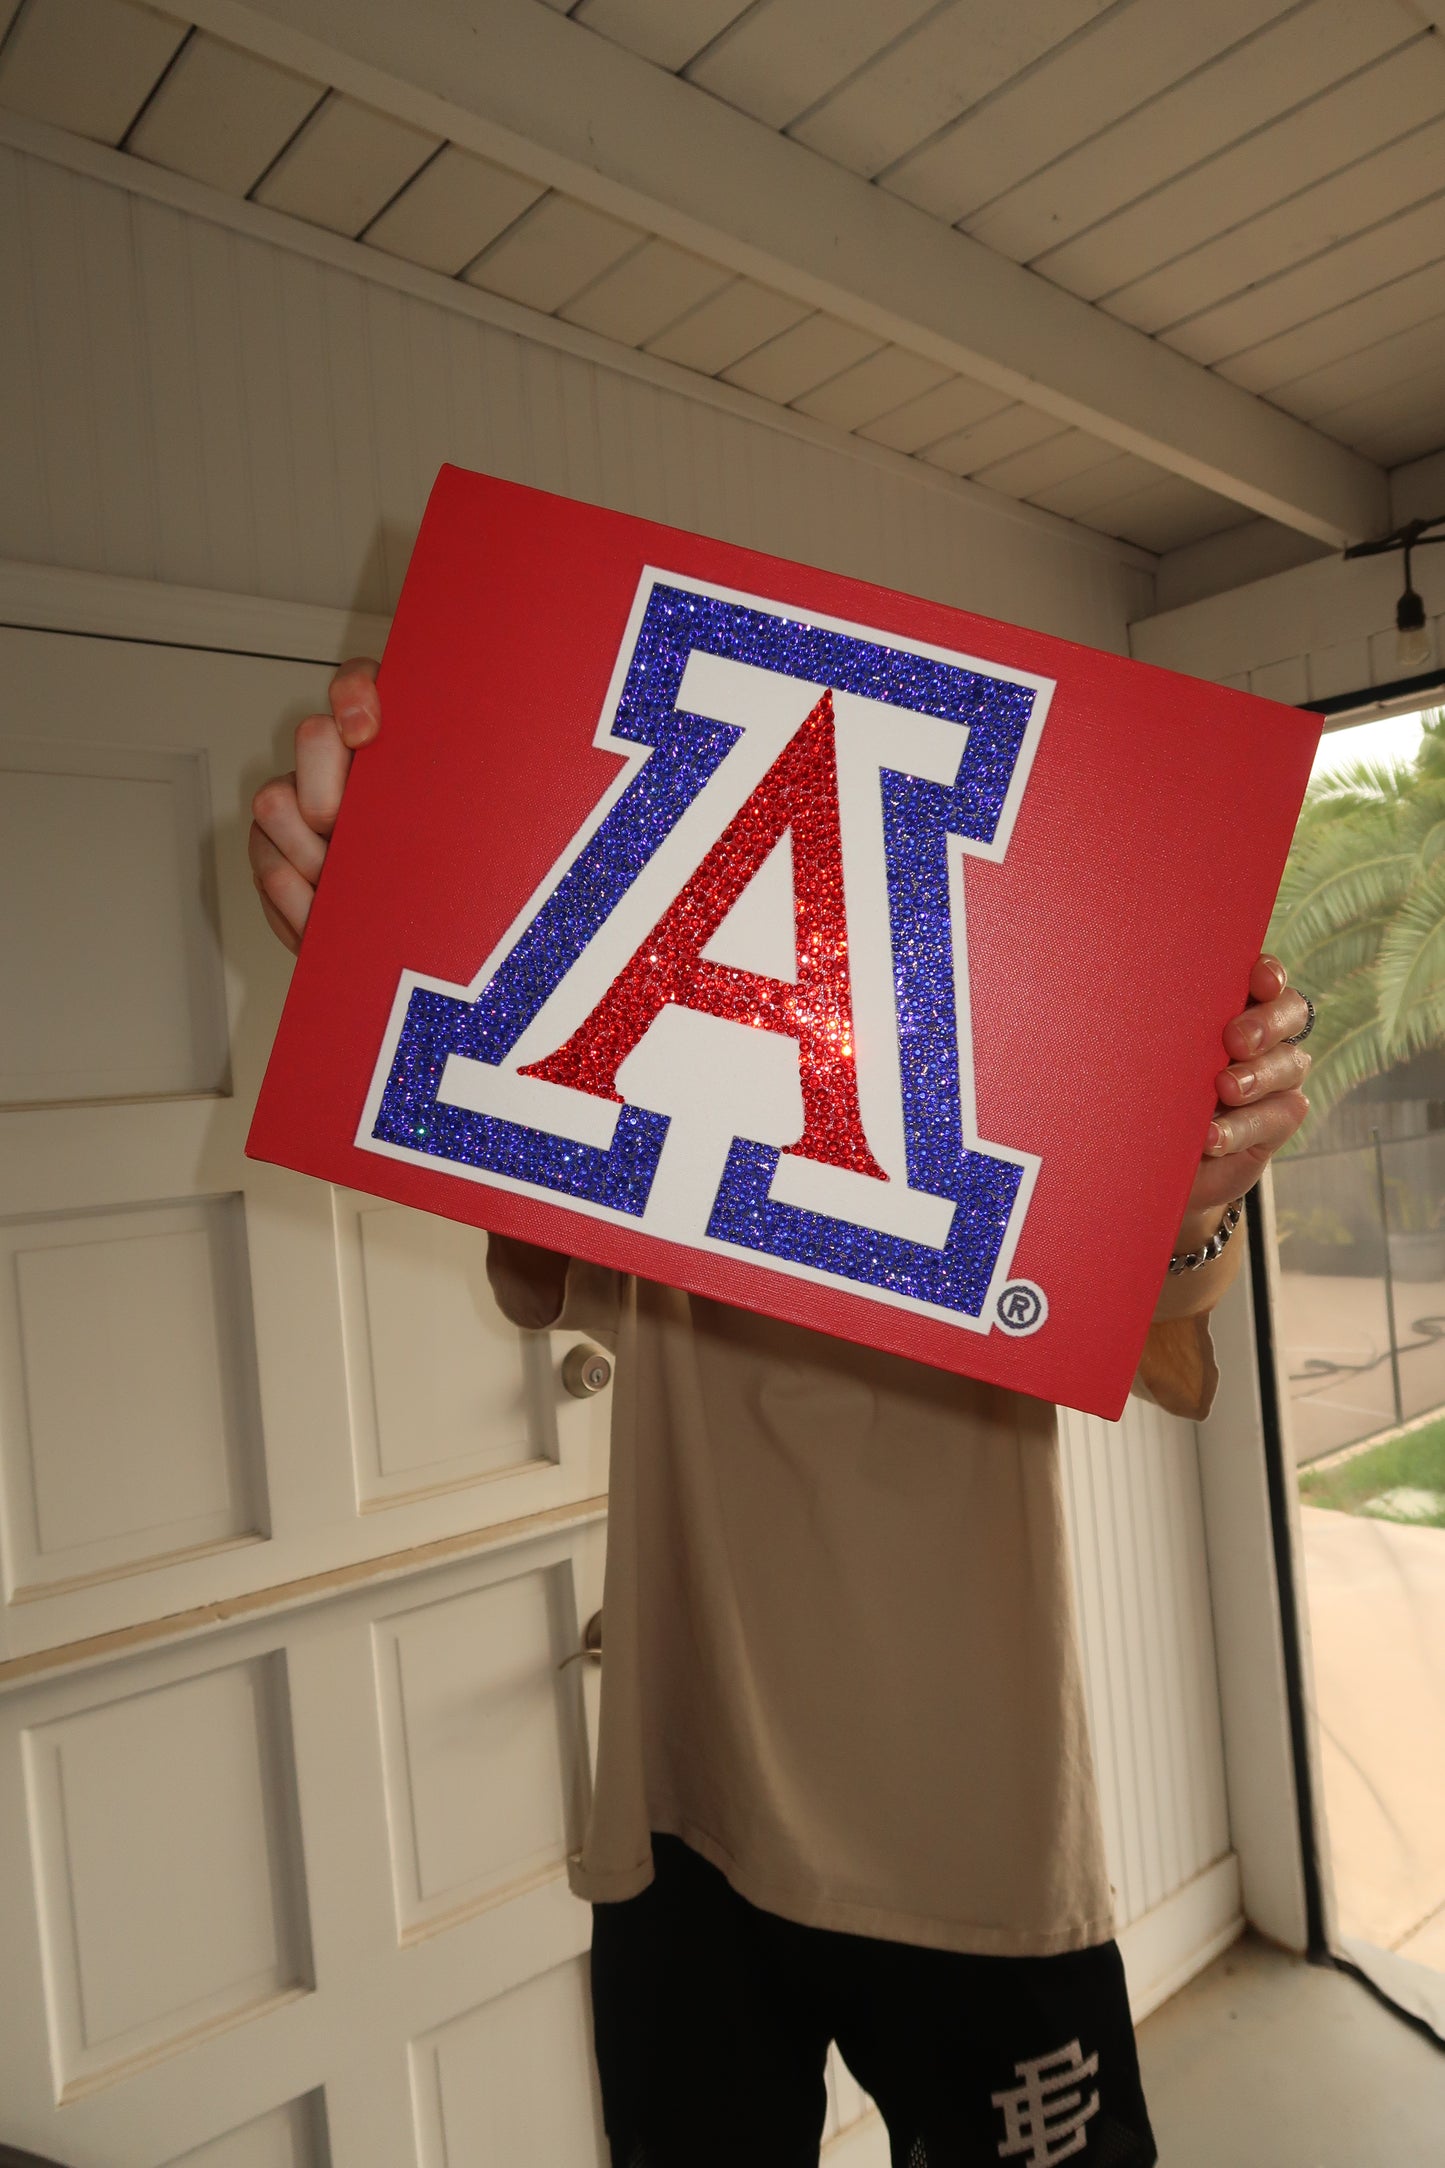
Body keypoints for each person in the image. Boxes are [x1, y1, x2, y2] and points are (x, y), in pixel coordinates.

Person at [251, 659, 1311, 2168]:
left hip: (972, 1828)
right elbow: (528, 1204)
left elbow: (1150, 1309)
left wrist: (1187, 1202)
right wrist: (396, 968)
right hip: (684, 1819)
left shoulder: (999, 1051)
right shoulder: (672, 1094)